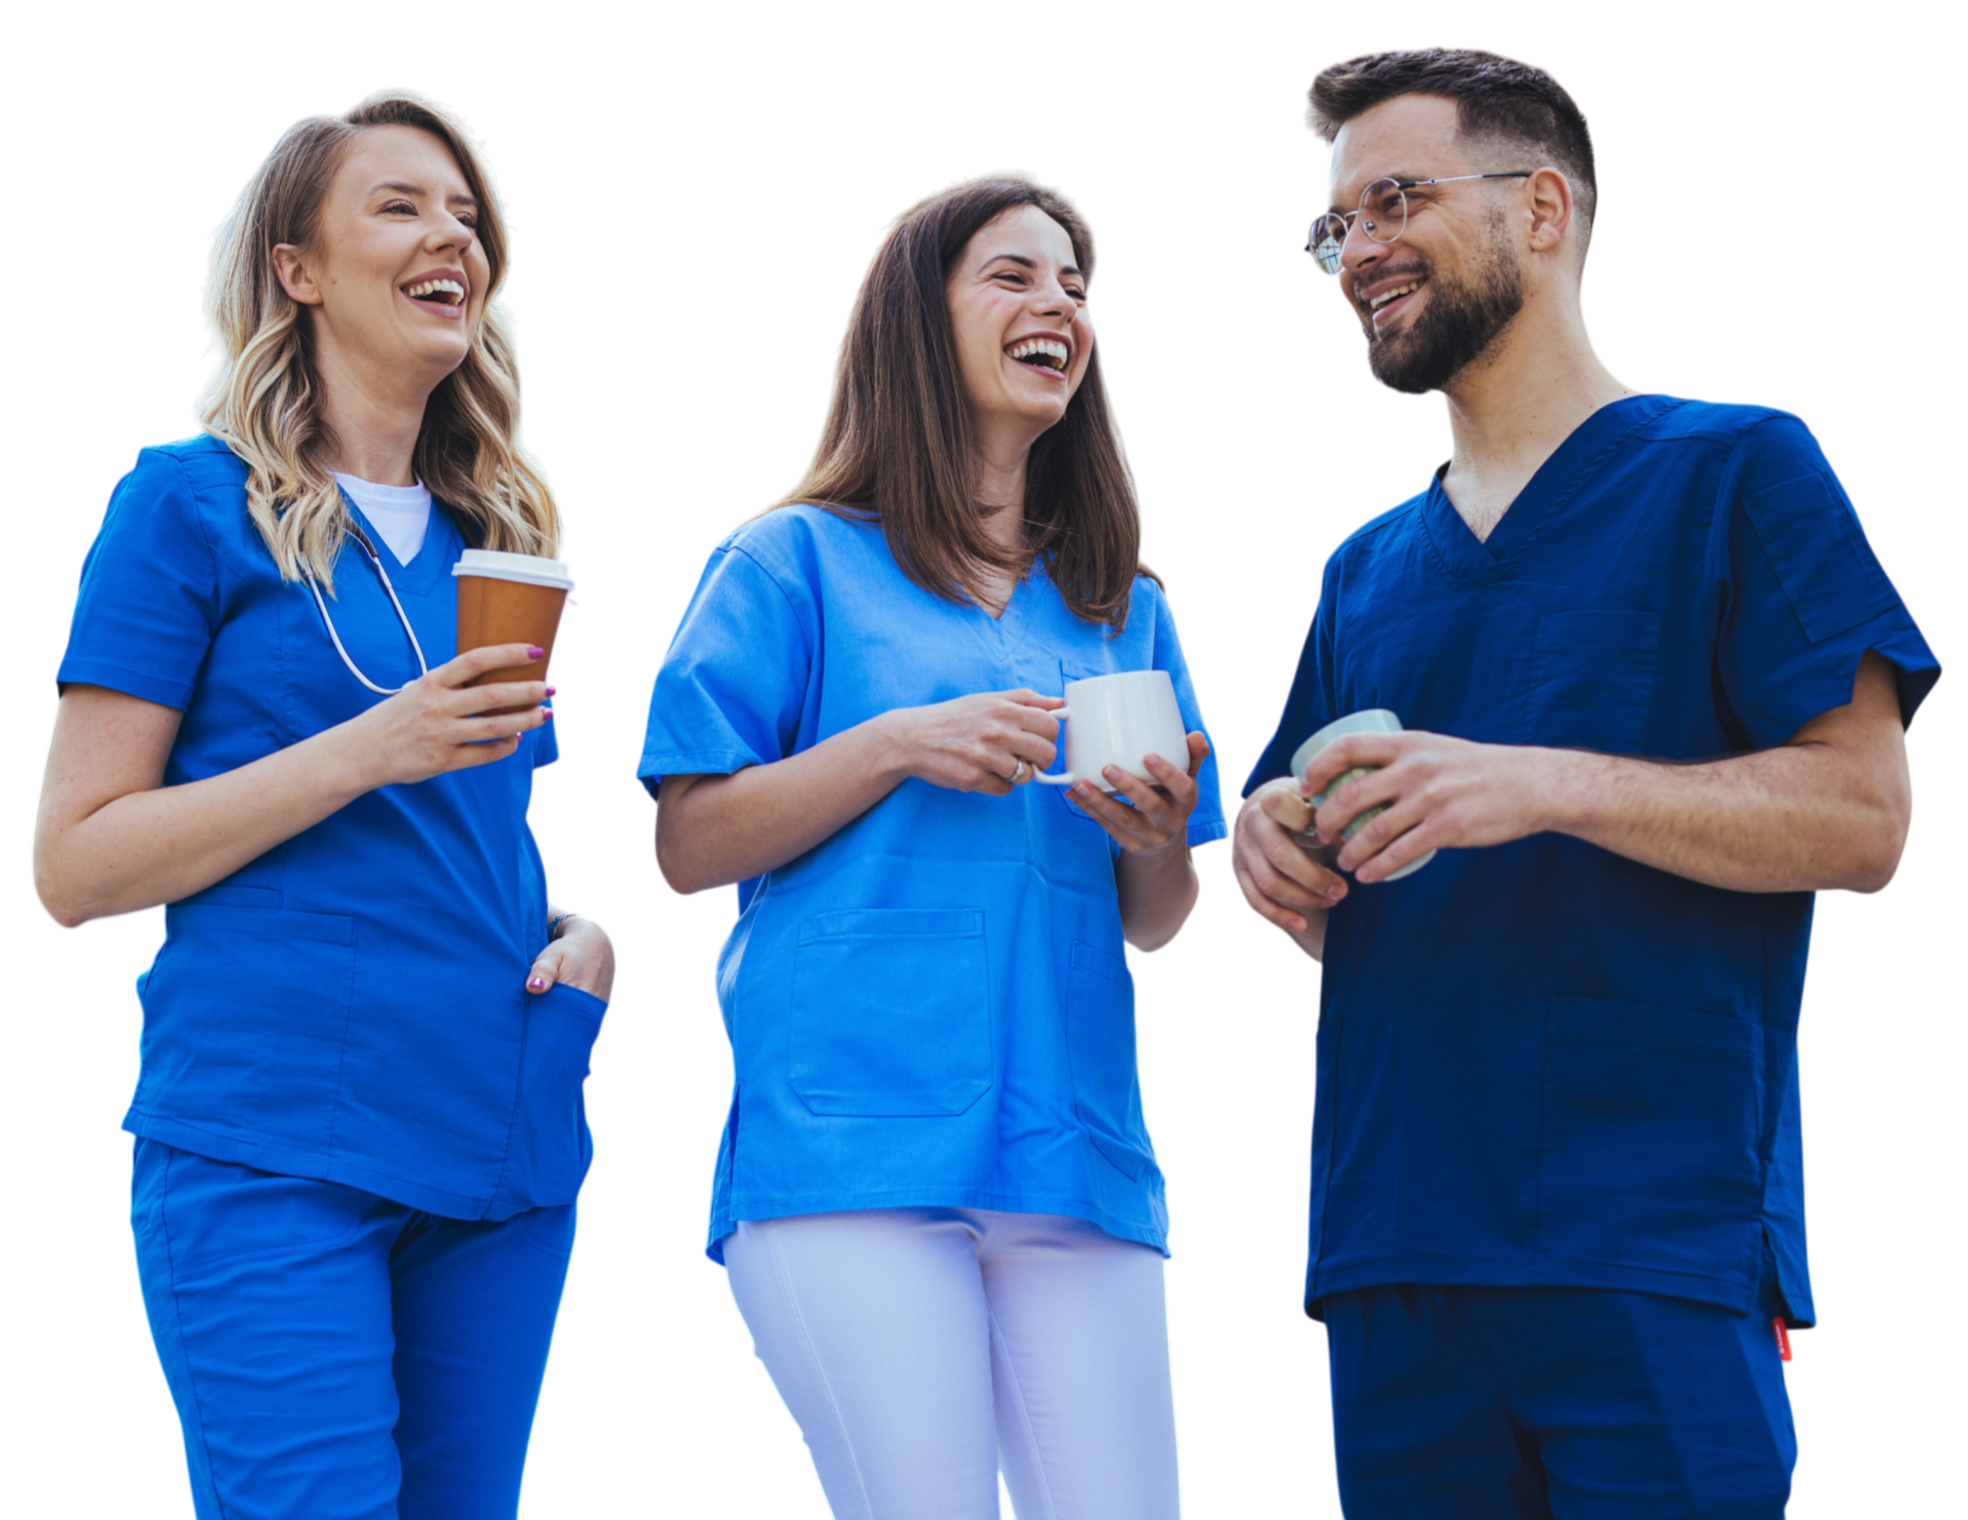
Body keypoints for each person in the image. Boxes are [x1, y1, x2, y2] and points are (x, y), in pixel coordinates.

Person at [1228, 49, 1939, 1520]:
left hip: (1644, 1248)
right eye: (1333, 223)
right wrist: (1269, 844)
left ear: (1542, 208)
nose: (1354, 251)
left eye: (1396, 199)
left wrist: (1541, 782)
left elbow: (1866, 820)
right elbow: (1294, 852)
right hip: (1392, 1256)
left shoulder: (1742, 468)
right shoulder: (1364, 569)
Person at [30, 88, 618, 1520]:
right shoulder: (182, 505)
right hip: (272, 1143)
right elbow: (74, 864)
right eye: (402, 205)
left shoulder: (508, 537)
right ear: (295, 267)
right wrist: (370, 746)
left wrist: (585, 941)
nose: (454, 238)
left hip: (497, 1132)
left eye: (470, 215)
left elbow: (474, 833)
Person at [636, 168, 1228, 1520]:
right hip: (853, 1159)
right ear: (918, 323)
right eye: (1014, 277)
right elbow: (686, 846)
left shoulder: (1118, 606)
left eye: (1076, 287)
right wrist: (899, 743)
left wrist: (1152, 843)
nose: (1059, 307)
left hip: (1074, 1156)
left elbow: (1154, 912)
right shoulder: (787, 563)